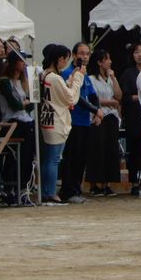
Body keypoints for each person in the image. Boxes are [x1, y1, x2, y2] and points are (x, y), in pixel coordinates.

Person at [39, 44, 84, 204]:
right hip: (57, 120)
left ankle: (46, 191)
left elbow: (62, 90)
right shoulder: (54, 78)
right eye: (66, 59)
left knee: (49, 158)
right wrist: (78, 78)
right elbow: (71, 98)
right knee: (54, 159)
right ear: (60, 59)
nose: (66, 62)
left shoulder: (45, 75)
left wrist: (71, 78)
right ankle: (50, 192)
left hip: (48, 119)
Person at [58, 42, 103, 204]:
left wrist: (98, 111)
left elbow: (92, 95)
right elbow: (77, 99)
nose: (84, 56)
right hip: (72, 121)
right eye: (81, 53)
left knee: (82, 157)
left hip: (85, 122)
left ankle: (77, 189)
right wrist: (95, 110)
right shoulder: (68, 73)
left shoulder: (85, 74)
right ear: (74, 54)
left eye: (87, 54)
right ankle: (68, 190)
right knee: (71, 156)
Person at [0, 51, 36, 204]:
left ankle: (23, 188)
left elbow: (30, 104)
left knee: (27, 157)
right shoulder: (5, 82)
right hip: (12, 122)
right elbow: (15, 105)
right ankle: (9, 189)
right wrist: (24, 104)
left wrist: (25, 104)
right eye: (21, 61)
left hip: (26, 121)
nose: (24, 64)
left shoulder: (23, 82)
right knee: (14, 157)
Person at [87, 49, 122, 197]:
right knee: (98, 150)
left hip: (112, 116)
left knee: (111, 150)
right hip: (98, 116)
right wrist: (111, 102)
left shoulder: (109, 78)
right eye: (107, 59)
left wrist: (113, 78)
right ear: (100, 62)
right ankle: (95, 183)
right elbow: (94, 99)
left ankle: (108, 183)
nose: (110, 62)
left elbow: (119, 95)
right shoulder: (91, 79)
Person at [119, 41, 141, 197]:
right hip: (134, 117)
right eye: (136, 52)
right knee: (134, 151)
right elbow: (125, 97)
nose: (140, 55)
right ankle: (134, 182)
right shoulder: (128, 73)